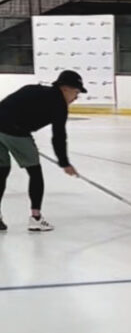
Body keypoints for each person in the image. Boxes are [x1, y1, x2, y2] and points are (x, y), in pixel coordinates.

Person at [0, 70, 84, 232]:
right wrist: (64, 163)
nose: (75, 98)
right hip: (15, 131)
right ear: (65, 88)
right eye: (76, 92)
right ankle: (36, 218)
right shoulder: (59, 105)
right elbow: (58, 136)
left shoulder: (34, 89)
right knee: (35, 172)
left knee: (1, 171)